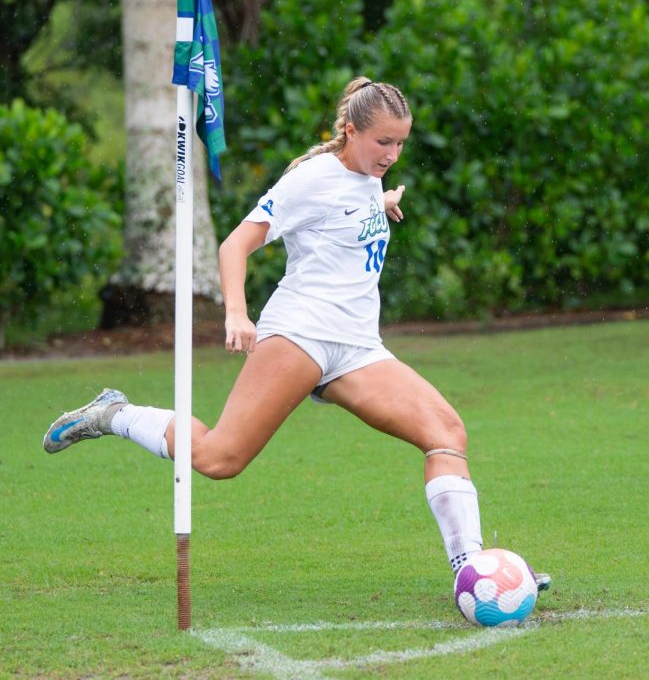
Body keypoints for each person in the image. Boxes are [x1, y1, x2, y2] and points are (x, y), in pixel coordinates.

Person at [42, 76, 549, 592]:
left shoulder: (369, 175)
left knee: (447, 432)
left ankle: (474, 569)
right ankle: (113, 414)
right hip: (300, 333)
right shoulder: (311, 179)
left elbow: (350, 214)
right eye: (383, 142)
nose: (393, 154)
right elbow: (234, 246)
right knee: (220, 459)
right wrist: (236, 314)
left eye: (401, 143)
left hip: (357, 347)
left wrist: (383, 202)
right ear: (350, 131)